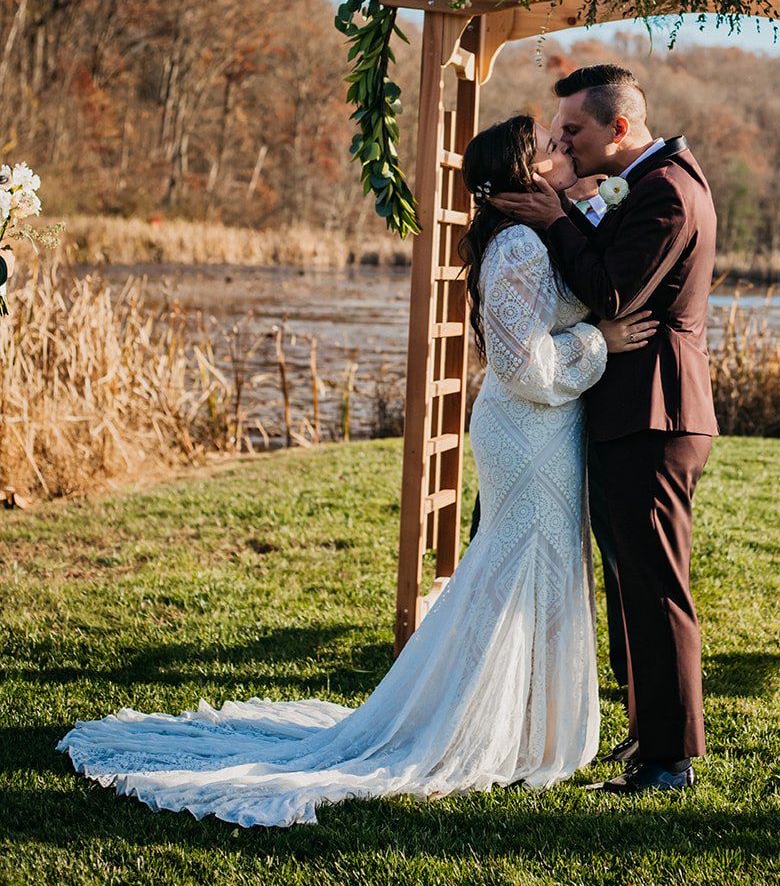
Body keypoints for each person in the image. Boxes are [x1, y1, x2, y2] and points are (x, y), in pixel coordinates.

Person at [57, 115, 655, 827]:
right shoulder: (522, 243)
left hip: (541, 427)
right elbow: (523, 366)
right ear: (519, 179)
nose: (563, 153)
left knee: (536, 566)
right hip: (528, 426)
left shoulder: (538, 232)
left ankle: (522, 726)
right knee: (519, 566)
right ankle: (478, 727)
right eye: (550, 149)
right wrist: (599, 338)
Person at [491, 64, 718, 795]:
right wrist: (561, 205)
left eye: (573, 132)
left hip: (655, 410)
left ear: (619, 128)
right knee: (628, 579)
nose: (563, 143)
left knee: (653, 586)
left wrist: (552, 218)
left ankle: (669, 760)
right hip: (628, 408)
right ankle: (647, 736)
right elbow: (596, 227)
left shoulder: (667, 190)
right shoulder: (637, 181)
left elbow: (615, 291)